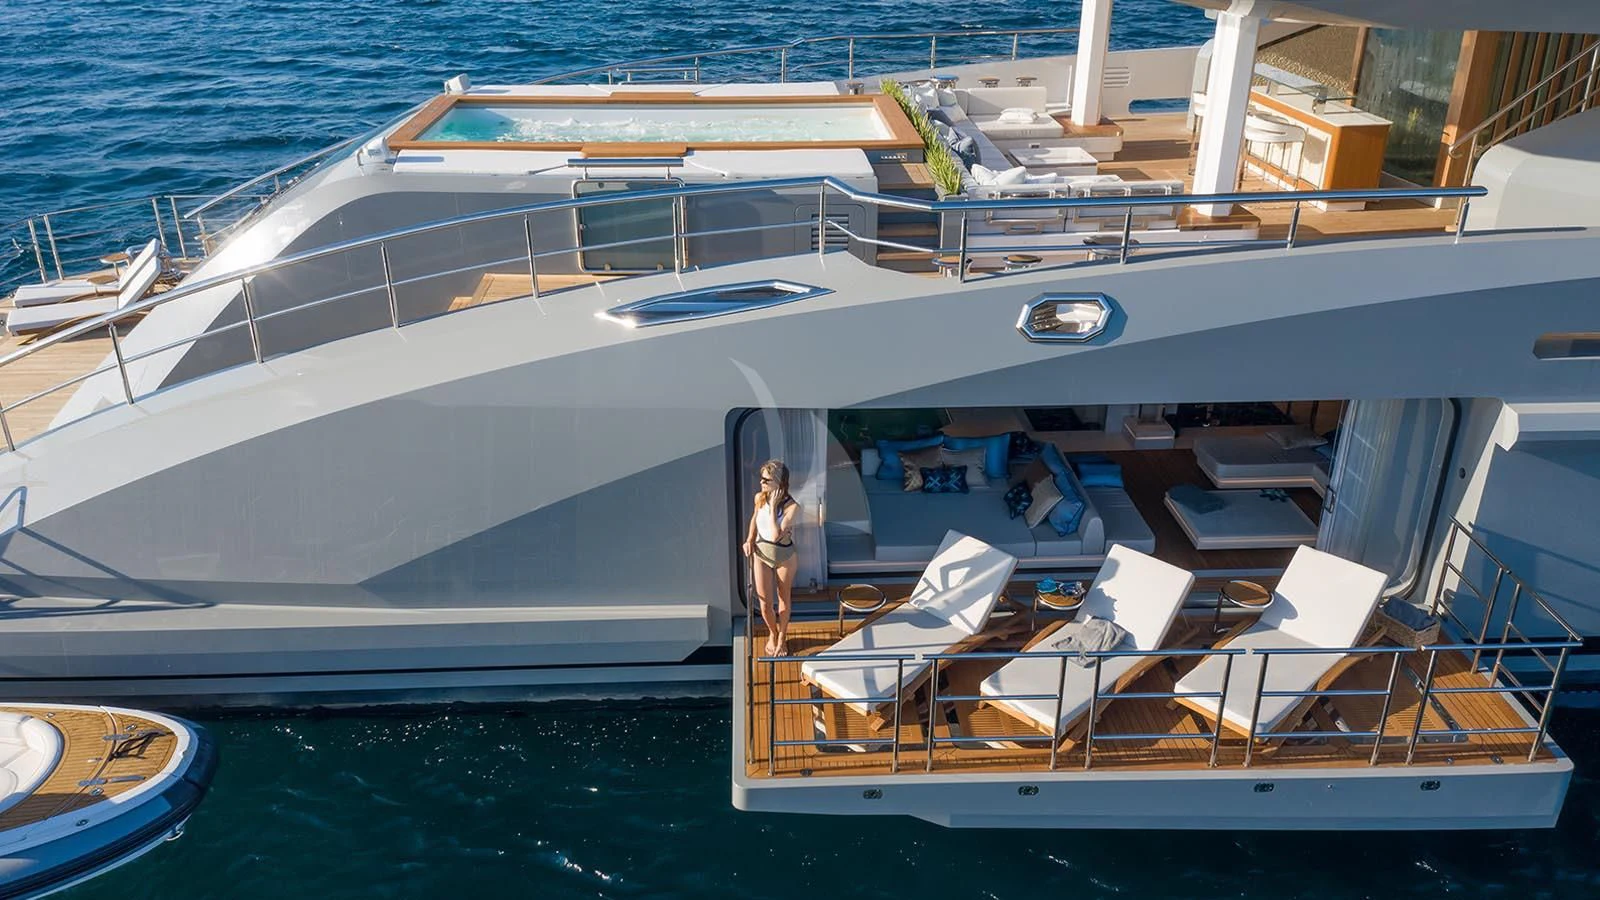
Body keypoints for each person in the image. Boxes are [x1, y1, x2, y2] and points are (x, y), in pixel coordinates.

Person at [742, 459, 799, 657]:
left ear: (779, 483)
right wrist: (749, 539)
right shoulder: (759, 497)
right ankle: (772, 633)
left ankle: (782, 637)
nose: (761, 483)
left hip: (784, 556)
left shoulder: (792, 508)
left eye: (766, 480)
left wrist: (774, 508)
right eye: (761, 478)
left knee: (783, 599)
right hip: (761, 554)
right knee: (765, 603)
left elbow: (775, 536)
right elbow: (755, 519)